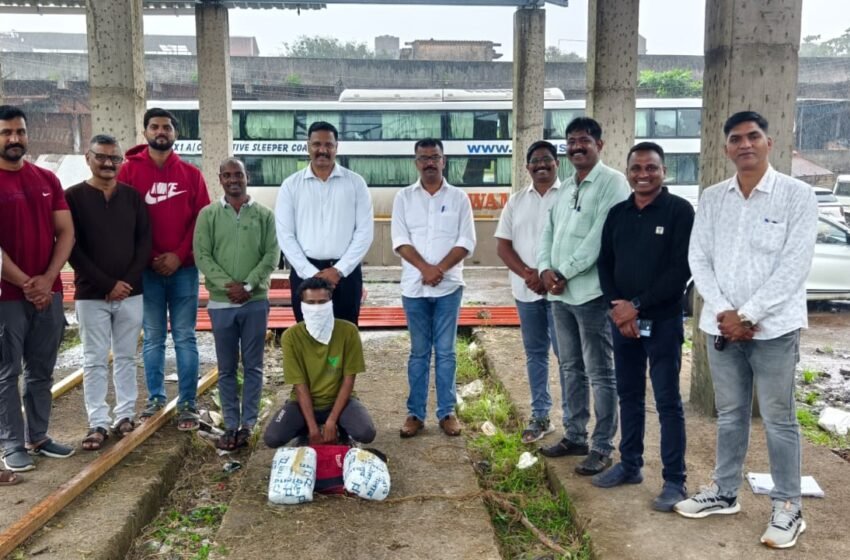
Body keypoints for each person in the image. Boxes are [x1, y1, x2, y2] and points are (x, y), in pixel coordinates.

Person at [675, 111, 817, 549]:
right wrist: (725, 312)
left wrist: (749, 314)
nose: (745, 144)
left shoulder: (796, 195)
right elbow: (699, 258)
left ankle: (788, 506)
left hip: (774, 330)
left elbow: (795, 265)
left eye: (753, 136)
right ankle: (724, 492)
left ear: (769, 143)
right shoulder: (713, 198)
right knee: (731, 413)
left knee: (779, 418)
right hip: (722, 327)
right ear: (726, 149)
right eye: (736, 139)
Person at [595, 141, 694, 511]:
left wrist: (635, 307)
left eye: (651, 167)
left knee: (667, 400)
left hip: (663, 321)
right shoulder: (618, 213)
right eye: (636, 168)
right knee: (629, 394)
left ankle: (675, 480)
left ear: (663, 171)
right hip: (623, 322)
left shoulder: (679, 211)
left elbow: (681, 270)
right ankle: (630, 464)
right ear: (627, 172)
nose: (643, 174)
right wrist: (618, 307)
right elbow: (605, 263)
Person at [537, 117, 629, 476]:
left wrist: (564, 272)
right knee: (570, 368)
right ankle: (575, 436)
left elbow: (600, 237)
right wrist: (545, 270)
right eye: (571, 141)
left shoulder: (612, 183)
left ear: (599, 145)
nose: (576, 147)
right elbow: (548, 232)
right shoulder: (565, 188)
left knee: (600, 372)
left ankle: (602, 445)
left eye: (584, 141)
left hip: (591, 295)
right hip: (560, 297)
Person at [117, 108, 210, 431]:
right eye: (155, 126)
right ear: (145, 132)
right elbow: (125, 220)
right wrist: (152, 257)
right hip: (146, 271)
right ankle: (155, 398)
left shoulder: (191, 174)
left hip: (184, 270)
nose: (161, 131)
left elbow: (201, 221)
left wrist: (179, 255)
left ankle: (187, 403)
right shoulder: (128, 172)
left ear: (175, 133)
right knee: (153, 337)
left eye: (167, 127)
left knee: (185, 337)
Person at [0, 105, 76, 473]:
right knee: (6, 372)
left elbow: (66, 232)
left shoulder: (46, 179)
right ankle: (12, 444)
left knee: (42, 369)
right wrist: (27, 283)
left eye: (20, 131)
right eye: (6, 133)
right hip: (7, 297)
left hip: (49, 292)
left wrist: (48, 279)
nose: (14, 138)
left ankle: (39, 436)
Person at [66, 134, 151, 450]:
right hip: (91, 295)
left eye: (114, 158)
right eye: (101, 156)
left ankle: (125, 415)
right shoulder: (72, 197)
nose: (108, 163)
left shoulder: (132, 198)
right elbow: (71, 247)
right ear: (88, 158)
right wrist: (107, 284)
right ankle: (98, 422)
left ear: (121, 162)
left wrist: (125, 283)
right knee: (94, 359)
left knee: (127, 356)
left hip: (131, 292)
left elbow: (144, 243)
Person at [392, 138, 476, 438]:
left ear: (444, 161)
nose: (429, 162)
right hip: (414, 289)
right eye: (423, 158)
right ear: (416, 162)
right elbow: (400, 240)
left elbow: (466, 241)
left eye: (435, 157)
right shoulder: (403, 198)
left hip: (448, 288)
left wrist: (438, 269)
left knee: (446, 352)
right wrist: (425, 269)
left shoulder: (459, 198)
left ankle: (446, 412)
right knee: (418, 353)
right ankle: (415, 414)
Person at [194, 158, 278, 451]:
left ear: (246, 177)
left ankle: (248, 424)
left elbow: (271, 255)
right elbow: (202, 255)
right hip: (222, 303)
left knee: (253, 366)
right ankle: (231, 423)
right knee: (227, 367)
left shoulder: (265, 215)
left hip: (255, 302)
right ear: (220, 179)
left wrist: (249, 286)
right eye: (227, 175)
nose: (233, 180)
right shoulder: (208, 215)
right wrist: (228, 286)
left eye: (238, 174)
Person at [495, 140, 562, 443]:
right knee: (536, 355)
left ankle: (575, 423)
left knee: (568, 358)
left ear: (557, 163)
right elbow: (503, 246)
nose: (541, 165)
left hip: (562, 292)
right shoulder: (516, 201)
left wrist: (550, 276)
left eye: (547, 159)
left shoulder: (569, 195)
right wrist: (528, 274)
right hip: (526, 292)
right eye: (535, 161)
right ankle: (540, 416)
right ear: (527, 167)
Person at [275, 121, 373, 325]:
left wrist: (339, 270)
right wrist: (313, 274)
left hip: (346, 275)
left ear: (337, 147)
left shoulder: (356, 183)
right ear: (308, 146)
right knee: (308, 334)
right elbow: (285, 235)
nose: (322, 150)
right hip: (304, 274)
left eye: (328, 144)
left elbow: (364, 232)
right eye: (317, 144)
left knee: (345, 333)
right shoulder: (291, 186)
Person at [263, 277, 376, 447]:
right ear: (302, 305)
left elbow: (348, 380)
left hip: (339, 401)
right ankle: (304, 429)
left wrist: (331, 421)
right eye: (310, 302)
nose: (316, 308)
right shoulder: (291, 337)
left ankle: (341, 428)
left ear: (331, 303)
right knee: (273, 438)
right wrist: (313, 428)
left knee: (366, 432)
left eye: (322, 302)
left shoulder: (348, 331)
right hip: (302, 403)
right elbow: (300, 385)